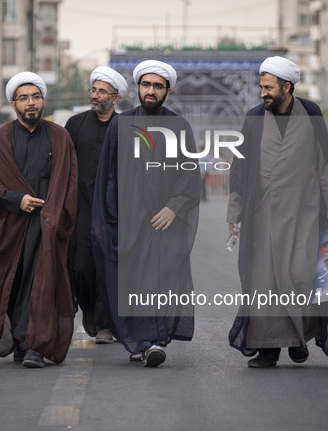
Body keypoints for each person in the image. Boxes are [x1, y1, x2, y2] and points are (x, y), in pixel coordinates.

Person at [227, 56, 328, 368]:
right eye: (261, 87)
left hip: (304, 213)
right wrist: (235, 213)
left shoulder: (310, 113)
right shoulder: (254, 117)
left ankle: (298, 338)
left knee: (300, 276)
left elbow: (324, 166)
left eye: (268, 88)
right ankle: (269, 350)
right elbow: (240, 170)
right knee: (265, 282)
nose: (262, 93)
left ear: (287, 86)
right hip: (263, 214)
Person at [92, 60, 201, 367]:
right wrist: (111, 220)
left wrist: (173, 208)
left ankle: (150, 341)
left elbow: (190, 175)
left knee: (161, 283)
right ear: (138, 87)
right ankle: (142, 342)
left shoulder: (180, 127)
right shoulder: (119, 124)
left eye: (157, 86)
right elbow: (108, 177)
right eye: (146, 85)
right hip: (128, 224)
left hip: (166, 225)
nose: (150, 91)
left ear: (167, 90)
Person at [0, 72, 77, 368]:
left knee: (42, 284)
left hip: (47, 227)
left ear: (43, 100)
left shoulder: (59, 137)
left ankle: (36, 346)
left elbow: (69, 182)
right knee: (15, 284)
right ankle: (22, 342)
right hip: (11, 226)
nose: (31, 103)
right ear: (13, 103)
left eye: (36, 97)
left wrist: (55, 218)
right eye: (24, 98)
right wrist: (14, 198)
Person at [64, 66, 128, 344]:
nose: (95, 94)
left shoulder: (126, 127)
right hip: (81, 210)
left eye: (102, 91)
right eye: (93, 89)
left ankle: (104, 324)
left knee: (109, 266)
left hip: (115, 211)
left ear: (115, 98)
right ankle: (88, 310)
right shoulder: (75, 124)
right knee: (80, 267)